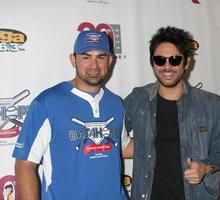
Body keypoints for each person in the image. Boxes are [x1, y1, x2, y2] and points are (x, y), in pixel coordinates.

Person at [12, 30, 133, 200]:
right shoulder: (47, 103)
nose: (94, 65)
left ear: (110, 60)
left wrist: (170, 142)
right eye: (86, 57)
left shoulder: (115, 103)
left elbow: (124, 146)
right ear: (73, 59)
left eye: (101, 57)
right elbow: (25, 164)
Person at [124, 26, 220, 200]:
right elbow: (112, 132)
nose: (167, 66)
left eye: (175, 60)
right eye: (160, 60)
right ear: (152, 62)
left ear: (187, 62)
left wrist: (205, 168)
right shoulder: (138, 98)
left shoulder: (210, 103)